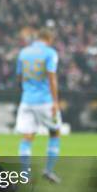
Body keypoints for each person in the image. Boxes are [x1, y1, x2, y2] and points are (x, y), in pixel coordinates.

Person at [15, 28, 61, 183]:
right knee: (55, 132)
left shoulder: (23, 52)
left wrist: (27, 90)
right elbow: (52, 78)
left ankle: (24, 175)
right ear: (49, 39)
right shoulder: (50, 53)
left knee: (27, 137)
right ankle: (48, 170)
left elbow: (19, 77)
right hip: (45, 101)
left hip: (27, 100)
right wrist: (55, 101)